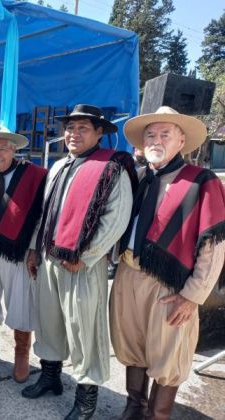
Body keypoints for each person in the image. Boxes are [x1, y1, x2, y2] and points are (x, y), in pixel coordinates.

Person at [110, 106, 225, 420]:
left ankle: (157, 415)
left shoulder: (202, 181)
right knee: (131, 345)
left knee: (168, 354)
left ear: (181, 140)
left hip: (170, 284)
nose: (156, 140)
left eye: (165, 134)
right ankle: (134, 406)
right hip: (127, 274)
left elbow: (214, 247)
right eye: (150, 134)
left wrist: (193, 295)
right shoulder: (139, 177)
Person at [22, 104, 135, 420]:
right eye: (70, 128)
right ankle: (51, 376)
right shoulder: (58, 167)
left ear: (100, 132)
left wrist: (85, 257)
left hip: (83, 265)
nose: (73, 133)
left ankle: (86, 398)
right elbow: (45, 214)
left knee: (84, 328)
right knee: (49, 321)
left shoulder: (112, 167)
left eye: (83, 128)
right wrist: (34, 249)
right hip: (49, 258)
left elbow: (117, 218)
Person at [0, 125, 48, 383]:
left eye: (2, 149)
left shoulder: (33, 176)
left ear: (14, 149)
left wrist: (34, 249)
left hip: (19, 253)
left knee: (22, 302)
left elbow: (41, 218)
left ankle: (21, 353)